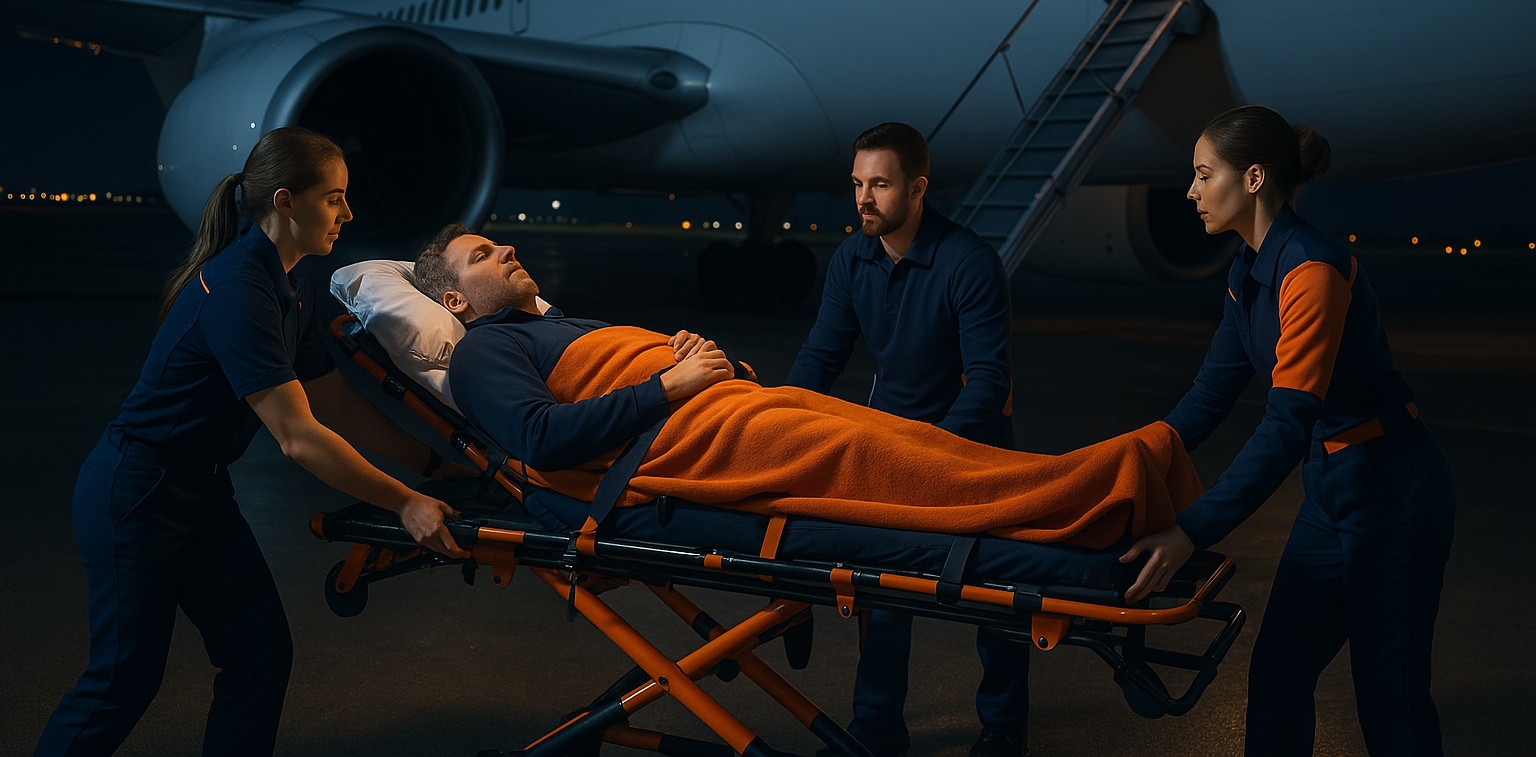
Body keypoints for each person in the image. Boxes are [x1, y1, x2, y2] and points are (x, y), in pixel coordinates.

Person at [35, 127, 467, 757]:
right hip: (137, 494)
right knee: (122, 680)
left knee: (259, 657)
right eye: (334, 198)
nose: (349, 213)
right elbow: (297, 437)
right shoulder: (238, 288)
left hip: (201, 492)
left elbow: (338, 403)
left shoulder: (292, 284)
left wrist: (436, 467)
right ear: (286, 201)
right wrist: (406, 501)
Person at [411, 223, 1199, 550]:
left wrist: (698, 361)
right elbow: (541, 439)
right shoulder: (484, 353)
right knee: (883, 461)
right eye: (484, 256)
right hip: (688, 446)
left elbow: (623, 375)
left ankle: (1098, 483)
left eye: (501, 243)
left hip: (729, 408)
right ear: (453, 301)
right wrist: (669, 384)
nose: (508, 249)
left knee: (905, 442)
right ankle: (1098, 495)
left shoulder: (558, 323)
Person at [1119, 105, 1456, 757]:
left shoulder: (1311, 269)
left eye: (1202, 174)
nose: (1189, 191)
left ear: (1251, 179)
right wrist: (1125, 462)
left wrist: (1192, 531)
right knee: (1278, 674)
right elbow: (1208, 396)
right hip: (1333, 488)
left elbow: (1284, 425)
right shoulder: (1247, 272)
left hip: (1393, 490)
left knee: (1390, 698)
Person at [785, 122, 1026, 757]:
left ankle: (1003, 729)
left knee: (992, 601)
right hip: (890, 441)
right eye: (857, 184)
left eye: (881, 185)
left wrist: (931, 452)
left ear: (917, 188)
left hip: (972, 448)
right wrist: (778, 420)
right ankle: (878, 729)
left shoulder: (968, 261)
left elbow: (988, 380)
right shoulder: (851, 256)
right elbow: (820, 357)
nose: (864, 199)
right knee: (882, 597)